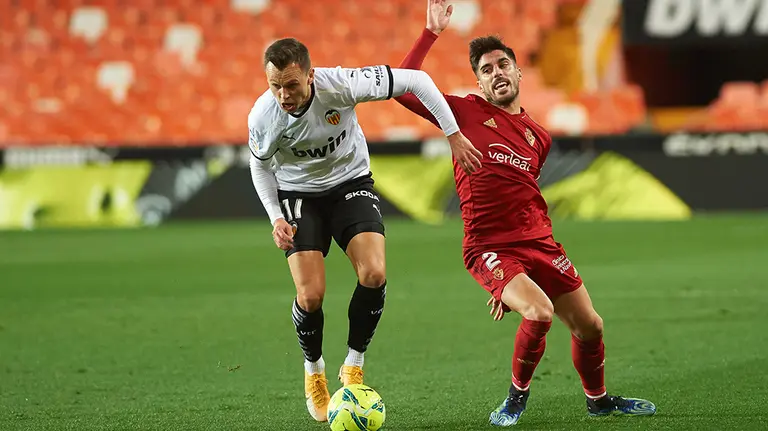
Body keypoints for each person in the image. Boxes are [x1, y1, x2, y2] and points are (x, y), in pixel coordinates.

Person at [393, 0, 657, 426]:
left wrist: (511, 284)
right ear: (479, 82)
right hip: (490, 247)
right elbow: (404, 87)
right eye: (486, 69)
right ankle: (515, 398)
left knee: (591, 325)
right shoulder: (462, 112)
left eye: (503, 65)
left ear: (518, 73)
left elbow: (523, 192)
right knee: (539, 312)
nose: (496, 72)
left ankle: (598, 400)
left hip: (540, 242)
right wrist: (431, 33)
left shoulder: (540, 137)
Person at [248, 37, 479, 423]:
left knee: (373, 273)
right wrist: (275, 216)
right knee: (311, 296)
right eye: (275, 86)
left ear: (311, 74)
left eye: (291, 84)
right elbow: (259, 167)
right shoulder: (263, 117)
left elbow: (416, 82)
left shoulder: (342, 84)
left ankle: (354, 363)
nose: (283, 95)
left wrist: (452, 133)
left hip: (350, 183)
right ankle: (314, 370)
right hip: (298, 193)